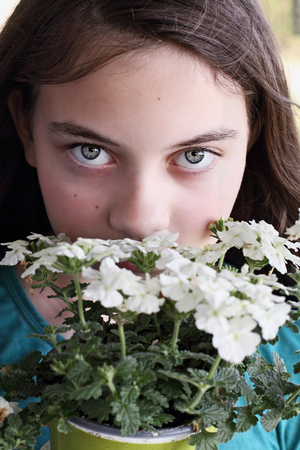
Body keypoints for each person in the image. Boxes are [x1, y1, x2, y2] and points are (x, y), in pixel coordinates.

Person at [0, 0, 300, 448]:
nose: (141, 220)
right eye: (90, 151)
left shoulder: (286, 350)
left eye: (194, 156)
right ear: (26, 127)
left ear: (252, 134)